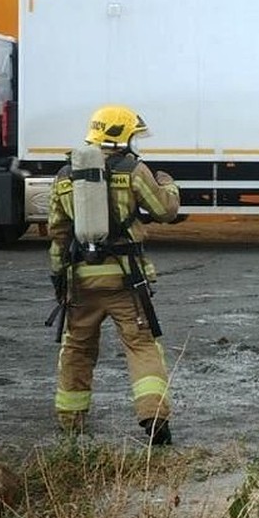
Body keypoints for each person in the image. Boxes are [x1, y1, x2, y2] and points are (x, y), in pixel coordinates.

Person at [47, 104, 182, 444]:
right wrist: (168, 183)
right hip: (125, 281)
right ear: (121, 136)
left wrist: (60, 283)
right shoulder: (133, 170)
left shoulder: (66, 176)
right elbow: (164, 210)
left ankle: (70, 421)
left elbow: (58, 236)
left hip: (80, 283)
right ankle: (154, 419)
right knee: (142, 347)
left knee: (77, 348)